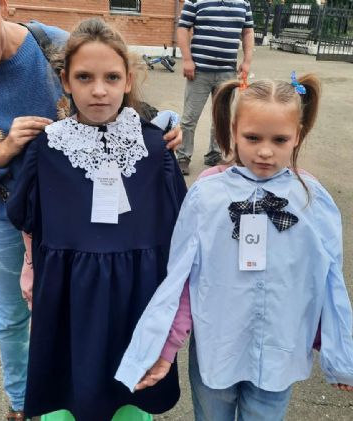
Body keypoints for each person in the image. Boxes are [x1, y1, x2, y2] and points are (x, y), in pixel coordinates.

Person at [0, 2, 182, 420]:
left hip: (109, 242)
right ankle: (21, 403)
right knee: (16, 316)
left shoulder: (56, 44)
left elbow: (120, 89)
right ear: (67, 81)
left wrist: (163, 126)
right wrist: (4, 151)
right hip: (21, 214)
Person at [115, 74, 353, 420]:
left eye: (280, 139)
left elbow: (327, 279)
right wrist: (165, 348)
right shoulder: (208, 194)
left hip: (280, 354)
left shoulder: (311, 199)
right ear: (233, 131)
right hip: (217, 351)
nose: (265, 151)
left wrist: (336, 351)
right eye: (253, 137)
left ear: (298, 135)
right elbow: (181, 277)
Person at [176, 0, 254, 175]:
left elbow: (248, 32)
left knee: (221, 118)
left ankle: (215, 154)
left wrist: (247, 61)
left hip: (227, 73)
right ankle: (183, 157)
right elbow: (183, 28)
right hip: (199, 71)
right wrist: (187, 59)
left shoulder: (244, 3)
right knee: (189, 118)